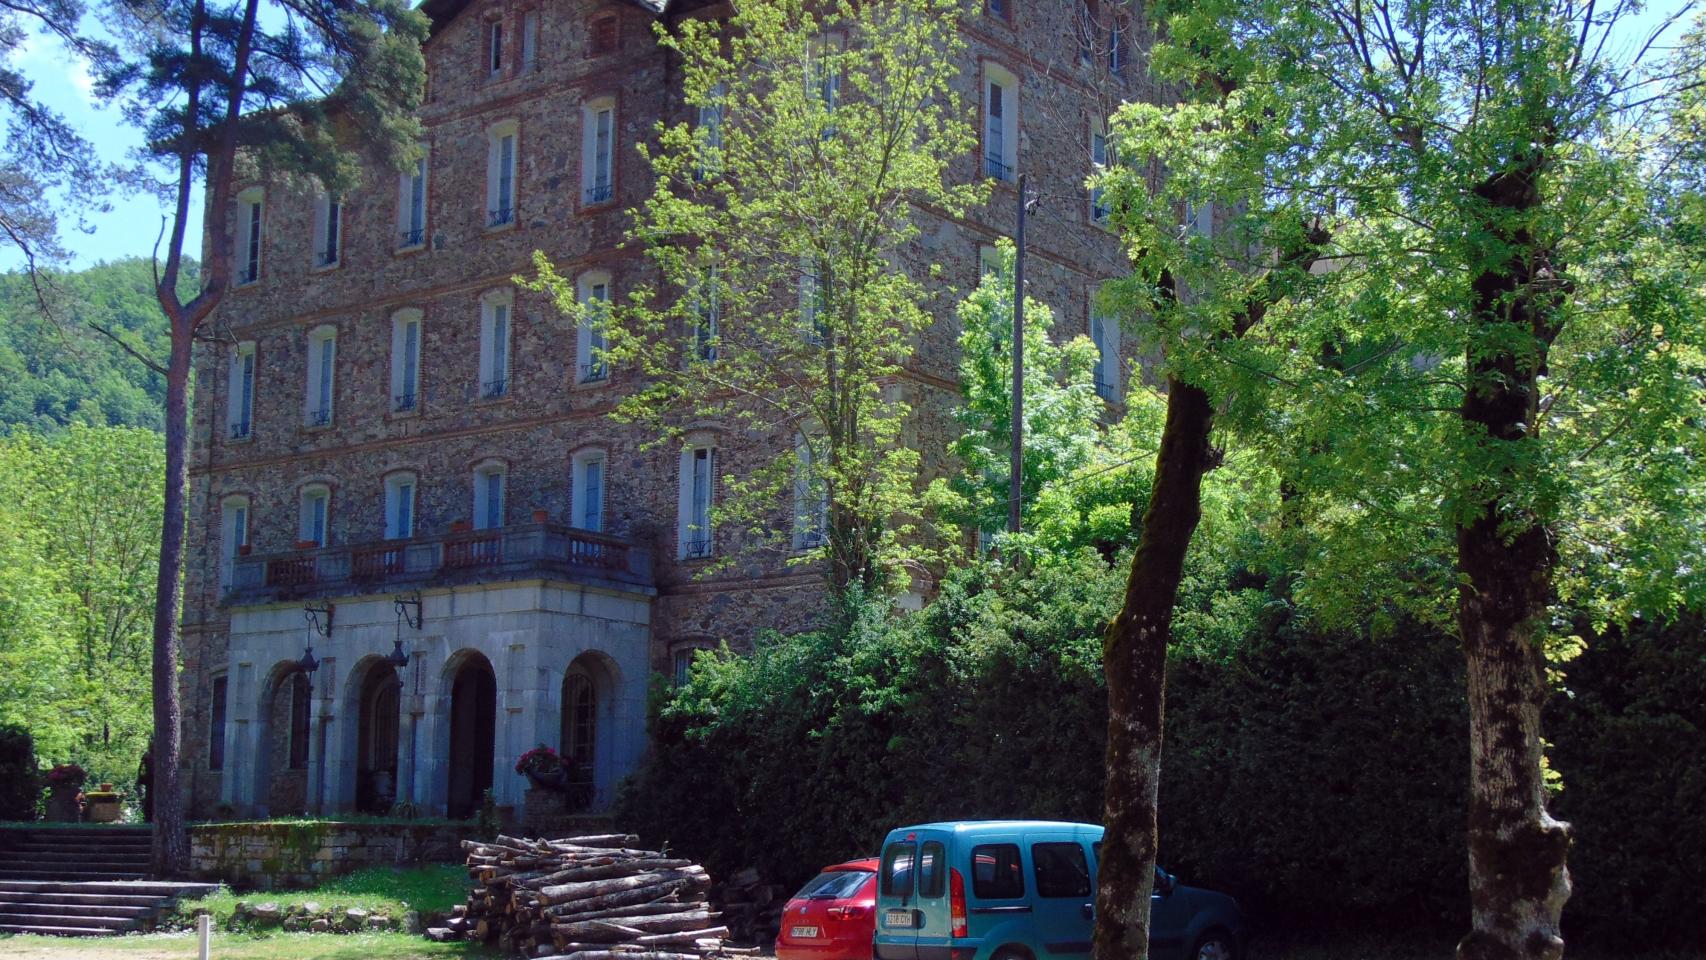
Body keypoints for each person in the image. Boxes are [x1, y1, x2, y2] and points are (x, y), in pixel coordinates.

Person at [137, 742, 154, 823]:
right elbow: (141, 770)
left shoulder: (162, 756)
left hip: (155, 782)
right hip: (150, 782)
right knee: (149, 803)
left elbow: (141, 770)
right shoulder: (146, 756)